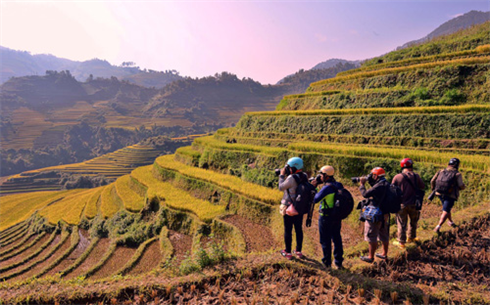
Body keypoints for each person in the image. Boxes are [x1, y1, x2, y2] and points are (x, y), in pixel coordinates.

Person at [310, 165, 345, 269]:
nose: (320, 176)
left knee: (325, 240)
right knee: (337, 238)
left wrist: (315, 187)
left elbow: (315, 199)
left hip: (325, 216)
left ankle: (327, 262)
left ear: (326, 175)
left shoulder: (326, 188)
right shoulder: (338, 185)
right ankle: (338, 262)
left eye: (321, 174)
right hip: (336, 216)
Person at [278, 157, 308, 260]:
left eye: (289, 167)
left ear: (293, 168)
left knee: (288, 230)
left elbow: (281, 187)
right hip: (299, 207)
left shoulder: (291, 178)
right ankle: (298, 251)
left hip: (290, 208)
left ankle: (288, 252)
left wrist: (281, 175)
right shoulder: (304, 176)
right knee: (298, 229)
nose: (288, 169)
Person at [359, 167, 390, 263]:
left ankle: (370, 257)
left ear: (376, 175)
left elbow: (365, 194)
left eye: (372, 175)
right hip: (385, 213)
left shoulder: (379, 186)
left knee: (371, 235)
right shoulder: (386, 184)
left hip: (376, 213)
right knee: (384, 234)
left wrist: (362, 185)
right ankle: (384, 254)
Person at [392, 158, 425, 249]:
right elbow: (422, 186)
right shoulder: (416, 176)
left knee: (401, 223)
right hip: (414, 203)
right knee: (413, 221)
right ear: (411, 166)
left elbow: (392, 189)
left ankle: (401, 242)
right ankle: (411, 237)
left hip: (401, 204)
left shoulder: (397, 177)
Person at [431, 158, 465, 233]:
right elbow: (460, 185)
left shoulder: (441, 171)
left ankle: (450, 222)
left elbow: (432, 181)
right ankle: (438, 226)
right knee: (446, 210)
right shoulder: (457, 174)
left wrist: (433, 189)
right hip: (450, 195)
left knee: (447, 208)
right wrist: (463, 187)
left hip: (439, 193)